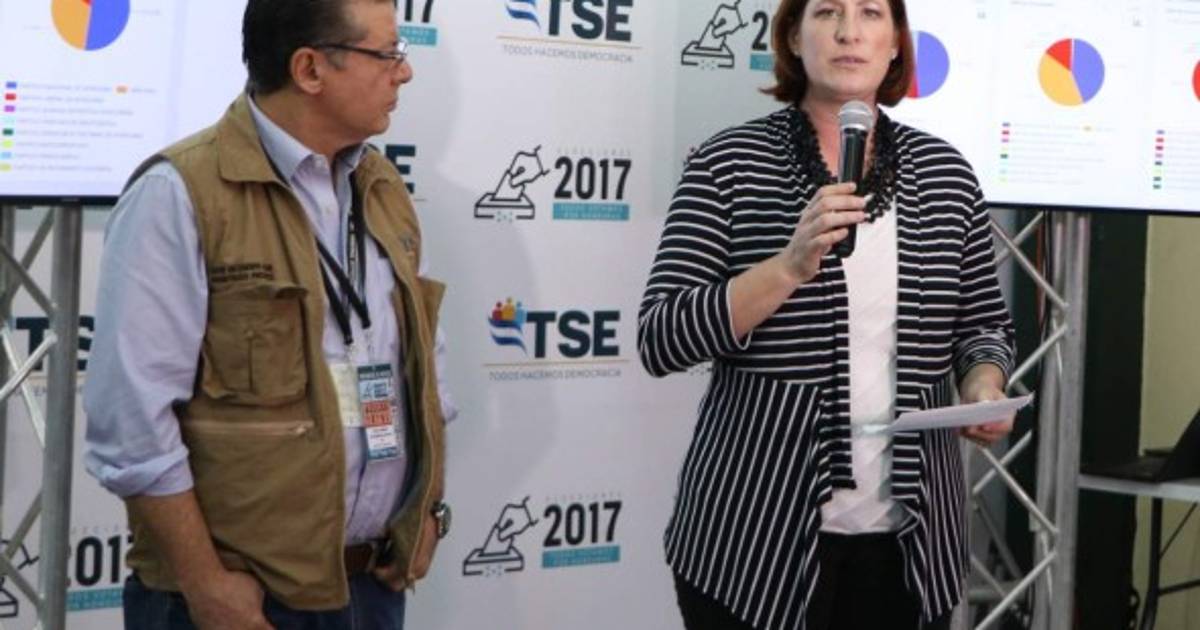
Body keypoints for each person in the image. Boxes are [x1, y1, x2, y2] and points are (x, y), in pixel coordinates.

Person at [639, 1, 1016, 629]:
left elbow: (983, 324)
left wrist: (983, 385)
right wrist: (787, 267)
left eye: (870, 13)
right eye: (827, 13)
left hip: (911, 545)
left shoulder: (945, 173)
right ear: (793, 36)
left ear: (895, 43)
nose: (848, 32)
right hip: (750, 543)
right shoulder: (727, 164)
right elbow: (661, 336)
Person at [82, 1, 455, 628]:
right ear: (309, 69)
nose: (404, 71)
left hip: (371, 585)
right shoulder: (181, 193)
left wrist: (429, 511)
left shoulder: (381, 187)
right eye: (387, 53)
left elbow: (424, 376)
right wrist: (204, 583)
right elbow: (130, 424)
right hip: (237, 603)